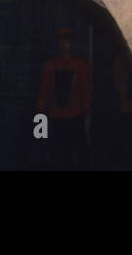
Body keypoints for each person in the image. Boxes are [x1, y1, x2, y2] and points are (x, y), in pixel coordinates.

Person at [36, 28, 92, 169]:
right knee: (62, 155)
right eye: (61, 41)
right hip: (57, 117)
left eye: (66, 41)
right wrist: (40, 128)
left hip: (76, 117)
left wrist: (86, 114)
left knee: (81, 153)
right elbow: (43, 94)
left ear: (72, 43)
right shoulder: (50, 65)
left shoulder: (81, 65)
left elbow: (86, 92)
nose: (63, 44)